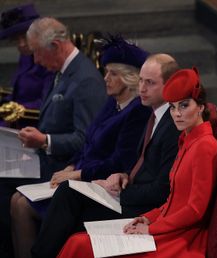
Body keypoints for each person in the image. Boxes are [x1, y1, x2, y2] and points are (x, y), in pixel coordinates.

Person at [9, 35, 151, 258]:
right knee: (17, 198)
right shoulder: (112, 103)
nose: (105, 79)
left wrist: (78, 173)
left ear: (129, 78)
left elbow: (119, 162)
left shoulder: (137, 112)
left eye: (112, 74)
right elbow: (88, 142)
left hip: (102, 187)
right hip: (81, 176)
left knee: (22, 207)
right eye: (107, 72)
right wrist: (71, 166)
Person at [56, 67, 217, 258]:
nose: (177, 113)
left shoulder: (205, 146)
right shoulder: (187, 140)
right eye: (173, 107)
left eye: (184, 106)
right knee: (77, 240)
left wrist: (152, 228)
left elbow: (195, 210)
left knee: (80, 244)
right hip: (166, 225)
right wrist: (145, 218)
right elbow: (173, 200)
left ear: (201, 107)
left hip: (182, 237)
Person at [30, 53, 180, 258]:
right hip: (130, 194)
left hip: (143, 209)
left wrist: (121, 192)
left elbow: (162, 190)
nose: (142, 88)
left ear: (170, 85)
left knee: (68, 201)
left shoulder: (172, 125)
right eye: (142, 80)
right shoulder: (154, 114)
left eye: (151, 83)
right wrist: (122, 176)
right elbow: (139, 164)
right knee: (69, 194)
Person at [0, 17, 107, 258]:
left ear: (56, 46)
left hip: (63, 166)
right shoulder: (61, 71)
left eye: (37, 53)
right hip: (45, 158)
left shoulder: (85, 80)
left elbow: (86, 140)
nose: (35, 60)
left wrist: (45, 140)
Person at [0, 4, 54, 128]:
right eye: (16, 39)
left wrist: (14, 109)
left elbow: (48, 103)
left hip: (36, 127)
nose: (21, 44)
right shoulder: (26, 55)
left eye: (25, 36)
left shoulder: (51, 60)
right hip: (14, 122)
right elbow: (18, 93)